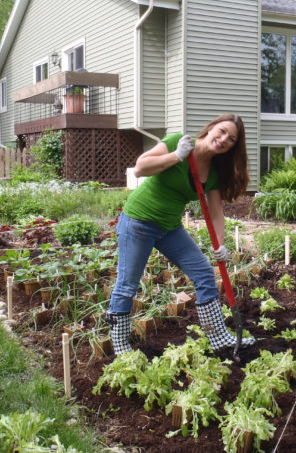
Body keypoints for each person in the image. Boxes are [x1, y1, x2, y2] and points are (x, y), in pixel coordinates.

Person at [106, 113, 256, 355]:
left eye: (232, 138)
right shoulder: (178, 141)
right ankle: (120, 345)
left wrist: (220, 244)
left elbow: (216, 214)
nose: (224, 138)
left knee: (204, 272)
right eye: (222, 131)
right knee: (127, 285)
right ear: (210, 128)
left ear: (233, 147)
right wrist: (176, 156)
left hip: (169, 227)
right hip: (138, 222)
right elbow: (140, 168)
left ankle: (219, 337)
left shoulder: (215, 172)